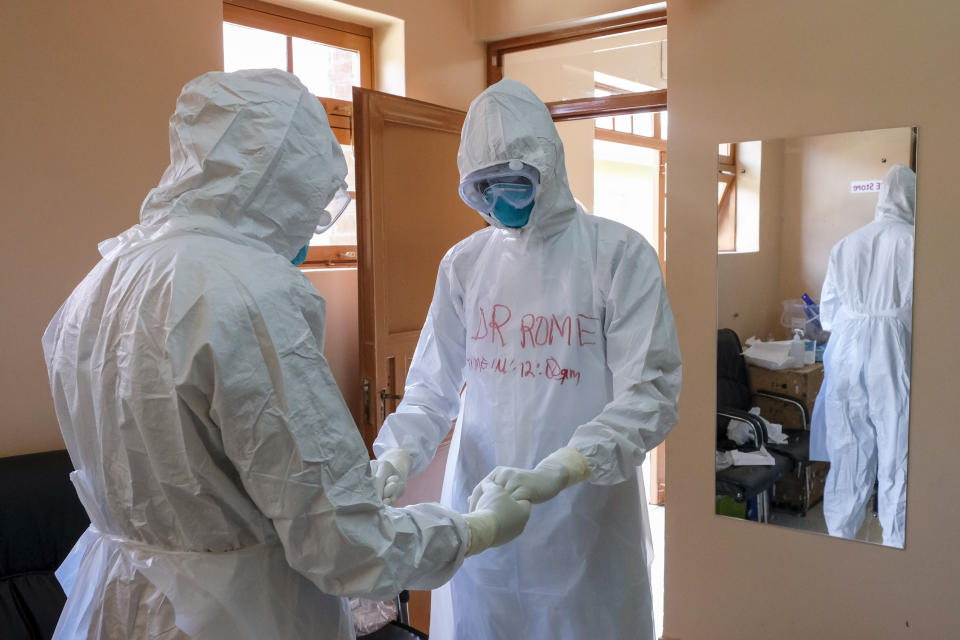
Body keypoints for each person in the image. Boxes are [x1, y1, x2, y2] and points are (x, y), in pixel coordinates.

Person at [42, 69, 531, 640]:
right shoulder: (248, 293)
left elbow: (202, 468)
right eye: (311, 197)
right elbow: (346, 547)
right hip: (234, 616)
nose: (310, 222)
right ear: (282, 181)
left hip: (118, 603)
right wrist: (473, 530)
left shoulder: (104, 280)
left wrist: (358, 481)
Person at [371, 78, 682, 640]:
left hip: (584, 516)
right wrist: (396, 456)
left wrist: (559, 471)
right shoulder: (465, 264)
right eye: (482, 187)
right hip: (482, 509)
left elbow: (650, 395)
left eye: (512, 181)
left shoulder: (617, 255)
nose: (498, 200)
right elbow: (430, 388)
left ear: (549, 167)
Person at [819, 163, 916, 548]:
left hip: (846, 347)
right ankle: (896, 542)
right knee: (897, 449)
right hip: (892, 349)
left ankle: (839, 538)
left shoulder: (846, 243)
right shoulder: (913, 242)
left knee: (848, 445)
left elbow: (827, 313)